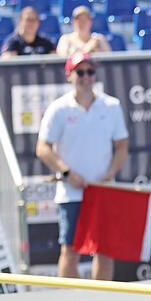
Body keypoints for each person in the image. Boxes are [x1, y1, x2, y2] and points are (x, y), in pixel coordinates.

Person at [35, 51, 129, 280]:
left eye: (90, 71)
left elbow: (121, 146)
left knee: (105, 250)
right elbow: (42, 148)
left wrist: (110, 175)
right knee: (71, 249)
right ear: (69, 75)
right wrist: (67, 173)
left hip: (103, 191)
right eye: (80, 72)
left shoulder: (111, 105)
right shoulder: (58, 108)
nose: (86, 77)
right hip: (71, 192)